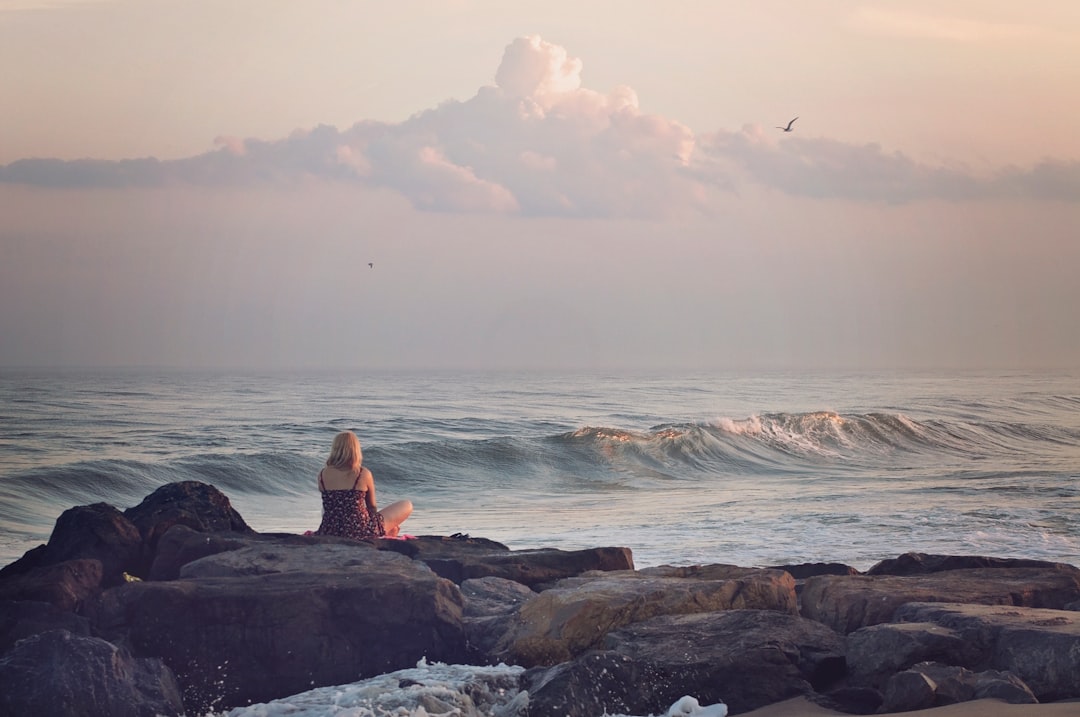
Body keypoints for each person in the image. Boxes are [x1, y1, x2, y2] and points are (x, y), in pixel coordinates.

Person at [314, 431, 412, 539]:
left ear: (335, 449)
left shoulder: (322, 474)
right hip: (361, 529)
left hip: (330, 529)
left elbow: (327, 507)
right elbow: (372, 507)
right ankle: (387, 532)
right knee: (407, 505)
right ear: (356, 450)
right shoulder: (362, 473)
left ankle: (388, 530)